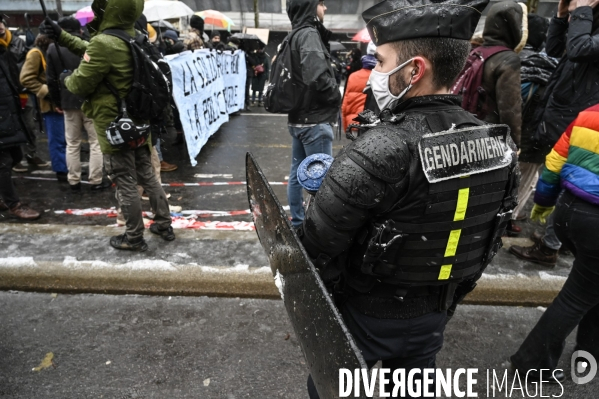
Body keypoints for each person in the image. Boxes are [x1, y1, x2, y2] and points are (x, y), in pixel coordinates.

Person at [299, 0, 519, 396]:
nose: (371, 78)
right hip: (433, 317)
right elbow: (487, 238)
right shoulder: (498, 145)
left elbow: (315, 248)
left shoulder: (382, 146)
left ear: (415, 69)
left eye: (381, 63)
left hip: (363, 317)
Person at [40, 0, 175, 251]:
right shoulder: (135, 36)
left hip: (114, 125)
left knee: (124, 181)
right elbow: (92, 49)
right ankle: (164, 224)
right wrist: (62, 36)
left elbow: (81, 84)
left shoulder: (105, 43)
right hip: (138, 120)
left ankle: (134, 236)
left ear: (109, 9)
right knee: (147, 176)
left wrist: (66, 79)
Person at [509, 104, 599, 383]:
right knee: (577, 295)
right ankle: (531, 365)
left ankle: (588, 354)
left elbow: (555, 160)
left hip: (569, 212)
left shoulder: (589, 114)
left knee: (590, 287)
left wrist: (544, 203)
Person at [509, 0, 599, 266]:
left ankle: (551, 247)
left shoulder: (588, 29)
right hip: (564, 111)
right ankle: (558, 238)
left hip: (580, 118)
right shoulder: (588, 26)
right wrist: (561, 18)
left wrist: (582, 12)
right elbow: (557, 49)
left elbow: (580, 49)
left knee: (567, 178)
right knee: (556, 173)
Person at [286, 0, 341, 229]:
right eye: (321, 3)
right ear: (310, 6)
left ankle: (298, 223)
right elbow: (316, 76)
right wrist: (336, 96)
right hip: (315, 120)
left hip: (299, 119)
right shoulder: (309, 34)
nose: (325, 8)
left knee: (298, 174)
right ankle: (317, 230)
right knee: (320, 182)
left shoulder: (294, 34)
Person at [477, 1, 527, 236]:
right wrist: (515, 143)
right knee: (488, 188)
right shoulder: (507, 59)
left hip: (468, 126)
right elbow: (511, 108)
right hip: (492, 135)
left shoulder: (476, 51)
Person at [46, 17, 107, 191]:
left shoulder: (52, 48)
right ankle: (96, 179)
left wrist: (57, 101)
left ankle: (74, 180)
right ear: (78, 30)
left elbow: (51, 79)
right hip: (89, 99)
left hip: (67, 100)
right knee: (95, 142)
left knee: (72, 143)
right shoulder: (87, 44)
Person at [510, 14, 556, 222]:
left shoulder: (514, 60)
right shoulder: (552, 68)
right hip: (535, 142)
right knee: (522, 183)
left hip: (509, 136)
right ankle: (507, 222)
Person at [0, 16, 41, 220]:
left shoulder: (7, 47)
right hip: (2, 113)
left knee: (15, 156)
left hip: (11, 108)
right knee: (4, 161)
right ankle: (13, 204)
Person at [0, 16, 48, 171]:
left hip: (22, 92)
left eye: (1, 23)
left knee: (29, 125)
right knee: (9, 128)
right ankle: (15, 158)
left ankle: (31, 154)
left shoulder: (17, 42)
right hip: (5, 95)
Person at [20, 32, 67, 180]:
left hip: (63, 100)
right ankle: (62, 170)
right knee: (57, 139)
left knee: (65, 139)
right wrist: (46, 91)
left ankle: (67, 167)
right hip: (50, 103)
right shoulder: (36, 53)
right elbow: (26, 78)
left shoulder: (53, 50)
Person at [341, 44, 376, 131]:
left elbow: (345, 104)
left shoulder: (353, 76)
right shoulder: (384, 77)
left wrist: (346, 125)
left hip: (354, 124)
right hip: (375, 126)